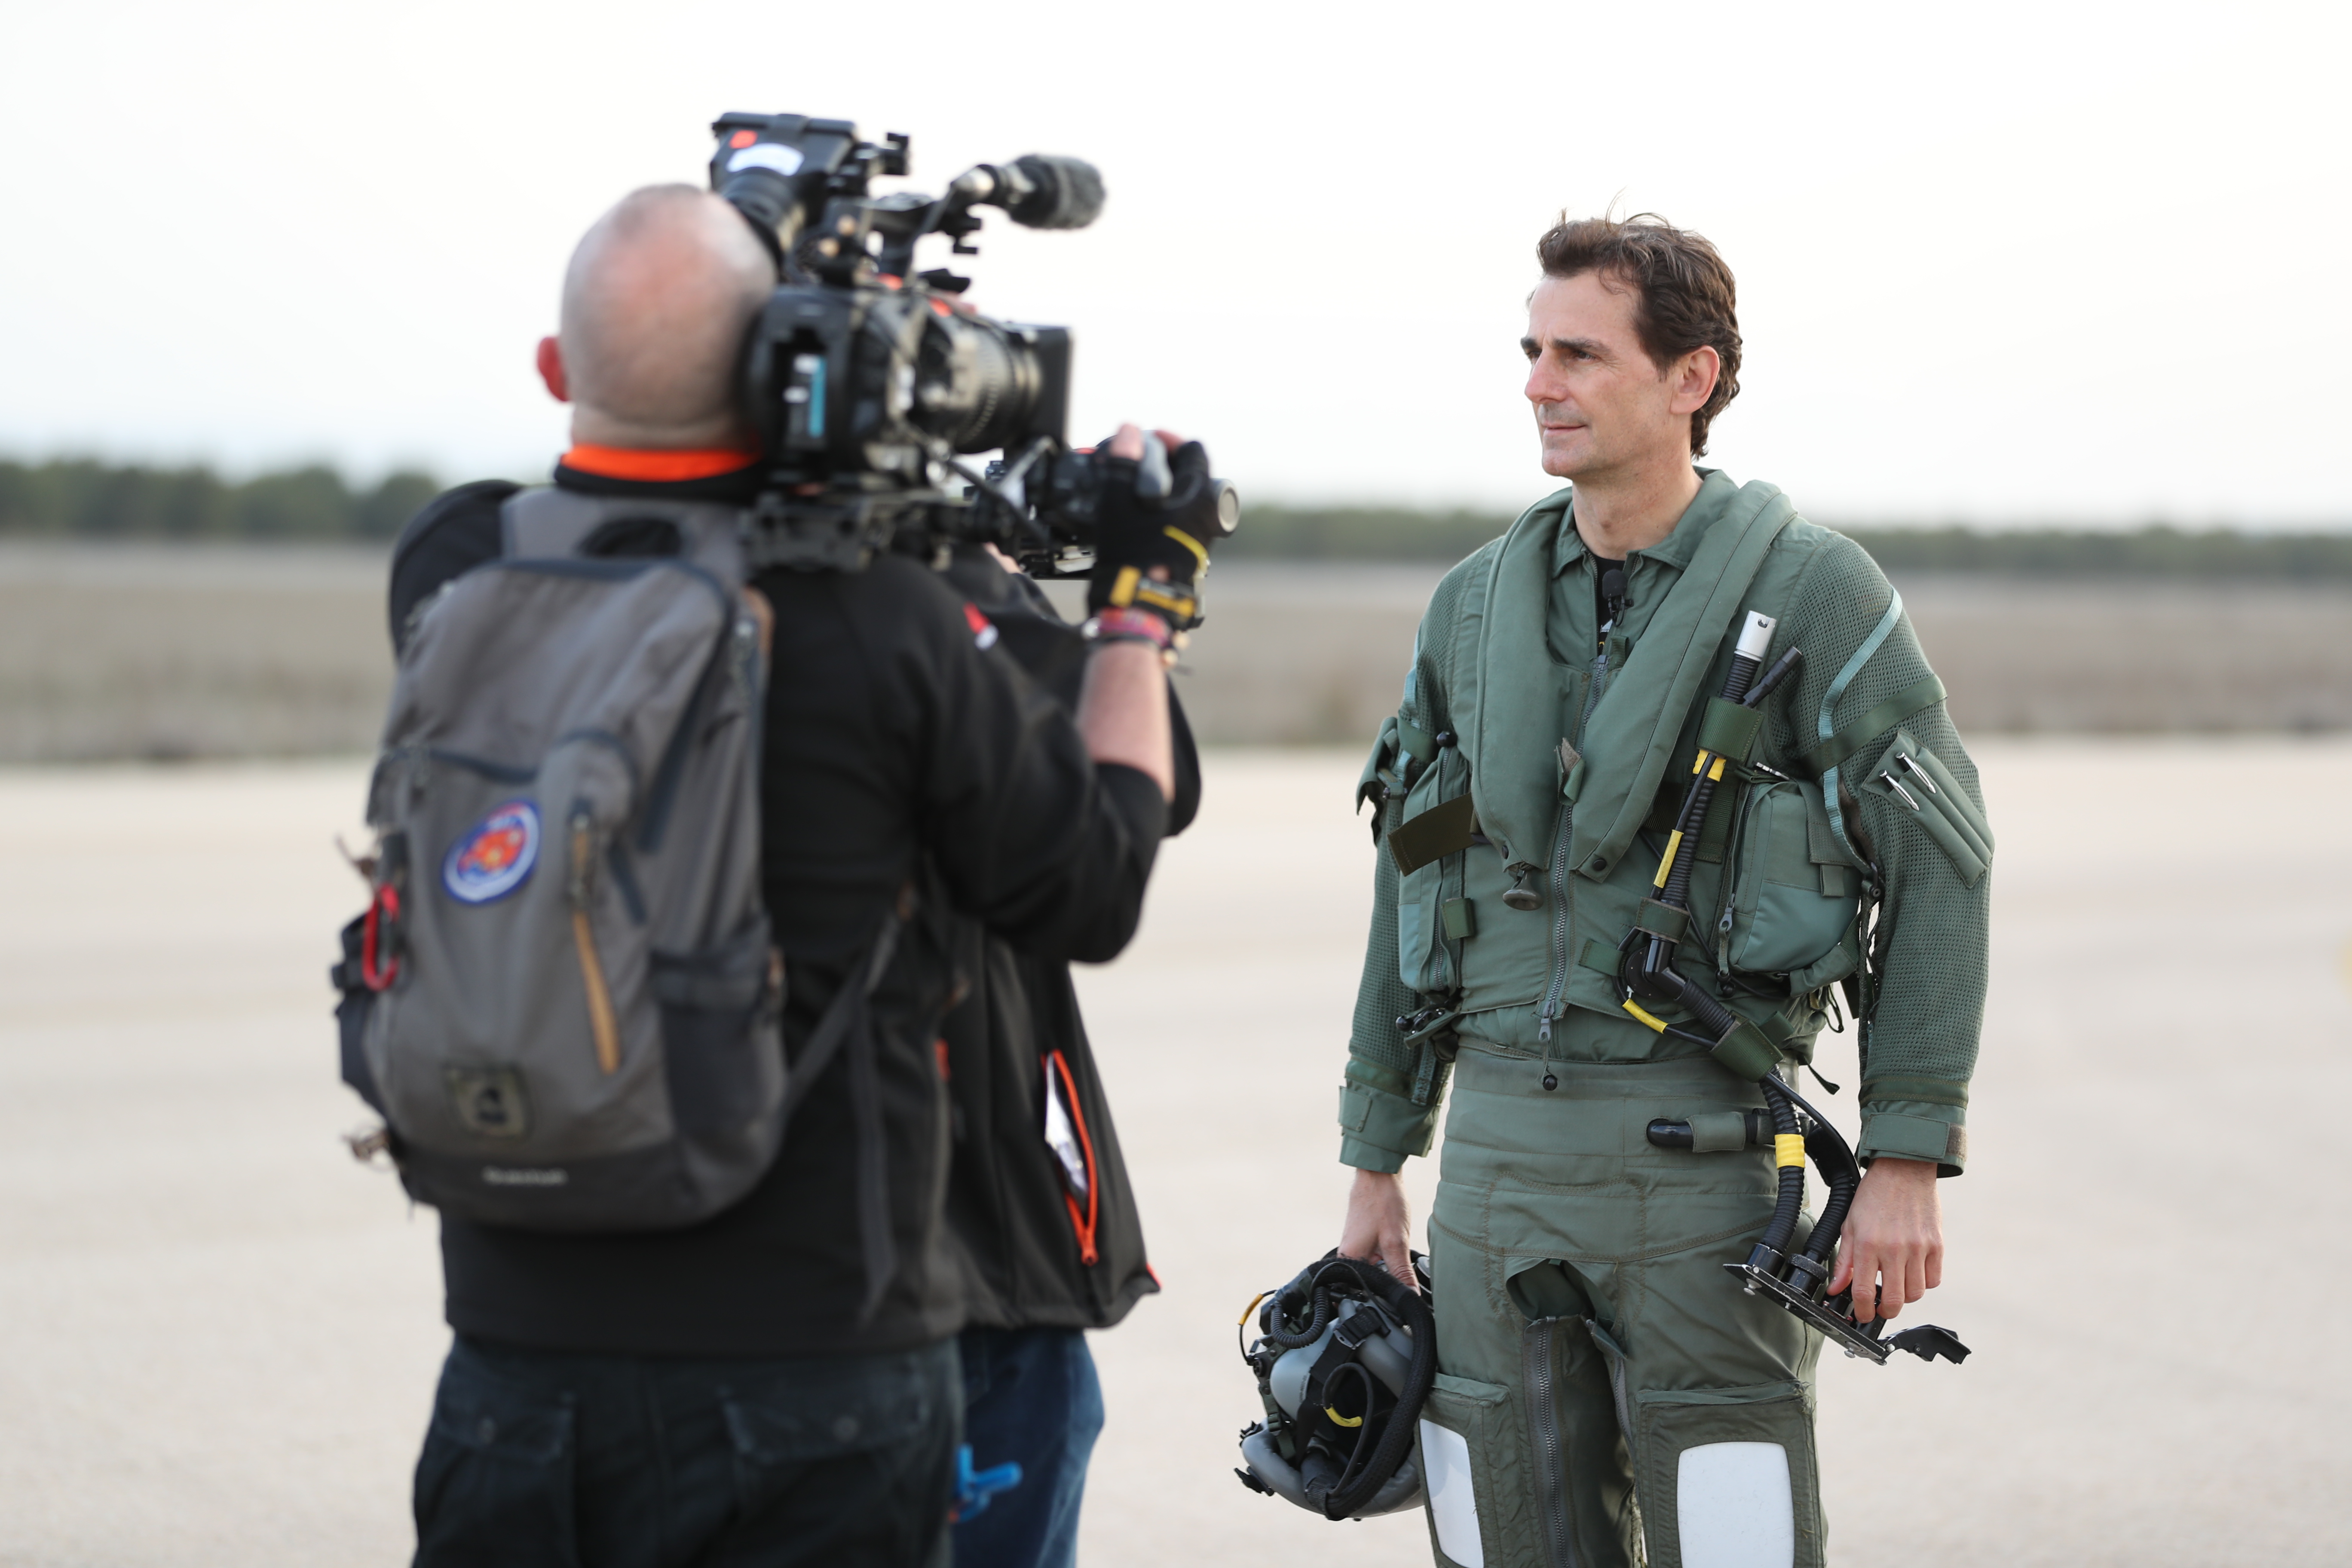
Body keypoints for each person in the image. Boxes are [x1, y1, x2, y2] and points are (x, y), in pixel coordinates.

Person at [382, 184, 1218, 1567]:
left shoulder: (464, 580)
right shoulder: (890, 622)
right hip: (814, 1363)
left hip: (513, 1362)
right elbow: (1098, 876)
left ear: (557, 371)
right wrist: (1137, 612)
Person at [1335, 214, 1988, 1568]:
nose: (1538, 382)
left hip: (1699, 1166)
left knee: (1735, 1531)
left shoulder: (1814, 594)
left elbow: (1943, 862)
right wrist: (1374, 1162)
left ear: (1691, 378)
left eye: (1579, 353)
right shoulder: (1470, 610)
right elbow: (1413, 884)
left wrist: (1909, 1156)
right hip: (1494, 1179)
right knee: (1503, 1530)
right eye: (1531, 350)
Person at [932, 542, 1200, 1568]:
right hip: (964, 1256)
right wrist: (1118, 618)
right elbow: (1131, 817)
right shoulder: (910, 622)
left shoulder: (598, 585)